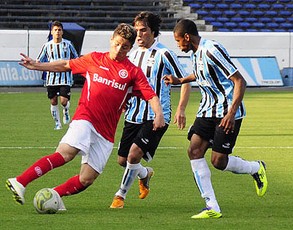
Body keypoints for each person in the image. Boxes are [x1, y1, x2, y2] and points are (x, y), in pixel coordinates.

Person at [6, 23, 165, 211]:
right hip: (85, 118)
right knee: (65, 154)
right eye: (117, 44)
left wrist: (159, 114)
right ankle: (20, 182)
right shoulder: (94, 59)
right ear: (111, 40)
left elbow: (151, 95)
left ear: (130, 48)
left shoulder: (132, 72)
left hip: (105, 133)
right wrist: (37, 65)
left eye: (124, 47)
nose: (119, 49)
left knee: (86, 179)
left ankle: (54, 194)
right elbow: (66, 64)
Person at [164, 19, 268, 219]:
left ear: (187, 37)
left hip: (226, 113)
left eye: (178, 41)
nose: (178, 46)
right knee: (194, 151)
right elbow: (201, 73)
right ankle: (212, 206)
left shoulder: (212, 50)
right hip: (207, 111)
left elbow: (239, 80)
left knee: (219, 161)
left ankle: (256, 168)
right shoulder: (195, 53)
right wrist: (180, 80)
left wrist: (231, 113)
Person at [109, 12, 191, 209]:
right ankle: (145, 174)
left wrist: (180, 108)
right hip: (133, 114)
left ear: (153, 32)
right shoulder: (132, 53)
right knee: (123, 160)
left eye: (143, 30)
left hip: (156, 115)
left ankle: (120, 196)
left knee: (134, 155)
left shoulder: (164, 54)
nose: (138, 35)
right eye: (136, 30)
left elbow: (184, 80)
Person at [37, 20, 78, 130]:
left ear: (62, 32)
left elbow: (76, 57)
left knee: (63, 101)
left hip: (66, 78)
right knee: (53, 101)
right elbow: (39, 60)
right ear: (51, 32)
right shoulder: (47, 46)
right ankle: (57, 123)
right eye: (55, 30)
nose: (57, 32)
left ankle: (66, 110)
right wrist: (32, 64)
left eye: (59, 30)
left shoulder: (68, 44)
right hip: (51, 79)